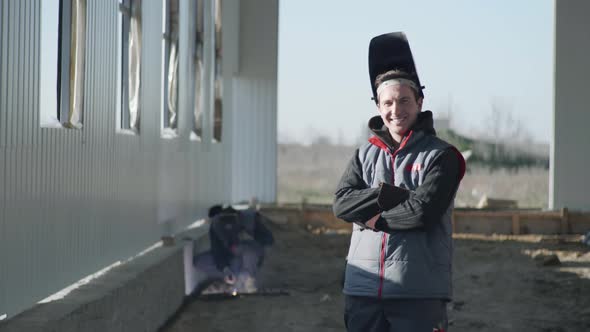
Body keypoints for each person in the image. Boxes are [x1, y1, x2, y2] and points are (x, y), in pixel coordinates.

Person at [333, 32, 465, 332]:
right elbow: (341, 203)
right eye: (388, 102)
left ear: (419, 101)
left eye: (405, 100)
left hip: (418, 292)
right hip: (362, 289)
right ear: (378, 106)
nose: (396, 110)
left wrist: (373, 218)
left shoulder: (443, 156)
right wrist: (386, 195)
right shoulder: (363, 154)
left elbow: (422, 212)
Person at [192, 204, 274, 295]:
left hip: (249, 258)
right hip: (233, 259)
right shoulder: (216, 226)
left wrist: (249, 232)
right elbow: (217, 251)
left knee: (247, 252)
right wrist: (226, 270)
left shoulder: (246, 219)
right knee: (200, 262)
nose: (227, 224)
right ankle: (233, 279)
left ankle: (248, 279)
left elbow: (268, 240)